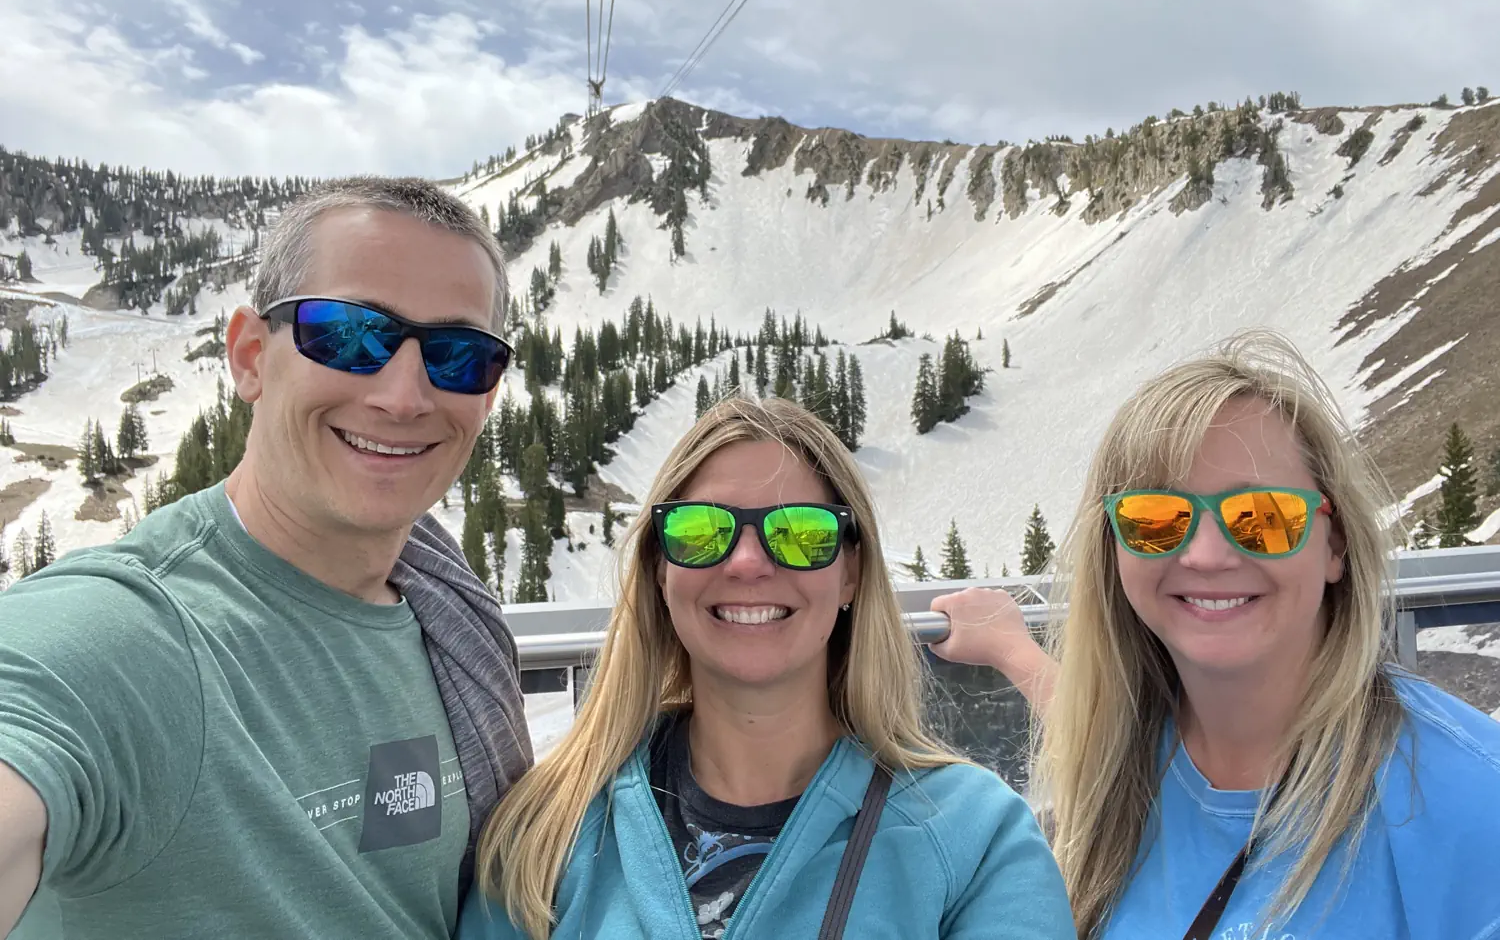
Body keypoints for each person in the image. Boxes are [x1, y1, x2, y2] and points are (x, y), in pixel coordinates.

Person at [0, 178, 534, 938]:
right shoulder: (123, 634)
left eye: (457, 355)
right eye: (351, 335)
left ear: (487, 393)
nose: (405, 394)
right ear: (250, 354)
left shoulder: (449, 622)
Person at [932, 330, 1500, 940]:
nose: (1205, 554)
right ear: (1115, 550)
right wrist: (1011, 646)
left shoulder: (1469, 796)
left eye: (1262, 517)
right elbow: (1083, 718)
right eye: (1155, 519)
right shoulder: (1125, 755)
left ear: (1333, 544)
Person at [462, 397, 1075, 940]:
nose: (749, 562)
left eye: (800, 532)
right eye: (703, 531)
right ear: (659, 567)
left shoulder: (975, 837)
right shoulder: (546, 832)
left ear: (852, 573)